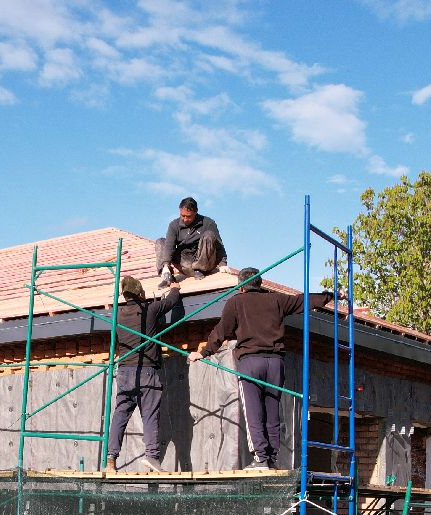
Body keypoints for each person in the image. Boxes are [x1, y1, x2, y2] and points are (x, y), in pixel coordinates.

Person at [196, 269, 331, 470]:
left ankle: (260, 457)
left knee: (254, 411)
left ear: (241, 286)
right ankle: (271, 457)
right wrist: (329, 296)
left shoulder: (236, 302)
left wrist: (204, 352)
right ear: (259, 284)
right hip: (276, 363)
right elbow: (303, 301)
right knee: (271, 410)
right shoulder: (276, 300)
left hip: (251, 363)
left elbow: (221, 330)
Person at [107, 275, 185, 473]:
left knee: (120, 415)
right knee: (149, 415)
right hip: (147, 372)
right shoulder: (150, 309)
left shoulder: (117, 314)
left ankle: (110, 460)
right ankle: (151, 457)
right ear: (141, 293)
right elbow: (171, 301)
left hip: (124, 371)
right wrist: (175, 287)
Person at [156, 197, 227, 283]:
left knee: (209, 235)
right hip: (184, 263)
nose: (185, 219)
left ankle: (199, 269)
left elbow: (219, 245)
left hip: (203, 264)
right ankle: (166, 275)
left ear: (195, 212)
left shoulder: (208, 223)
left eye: (189, 216)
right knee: (160, 242)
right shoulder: (173, 225)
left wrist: (223, 264)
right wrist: (166, 266)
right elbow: (169, 247)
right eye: (183, 216)